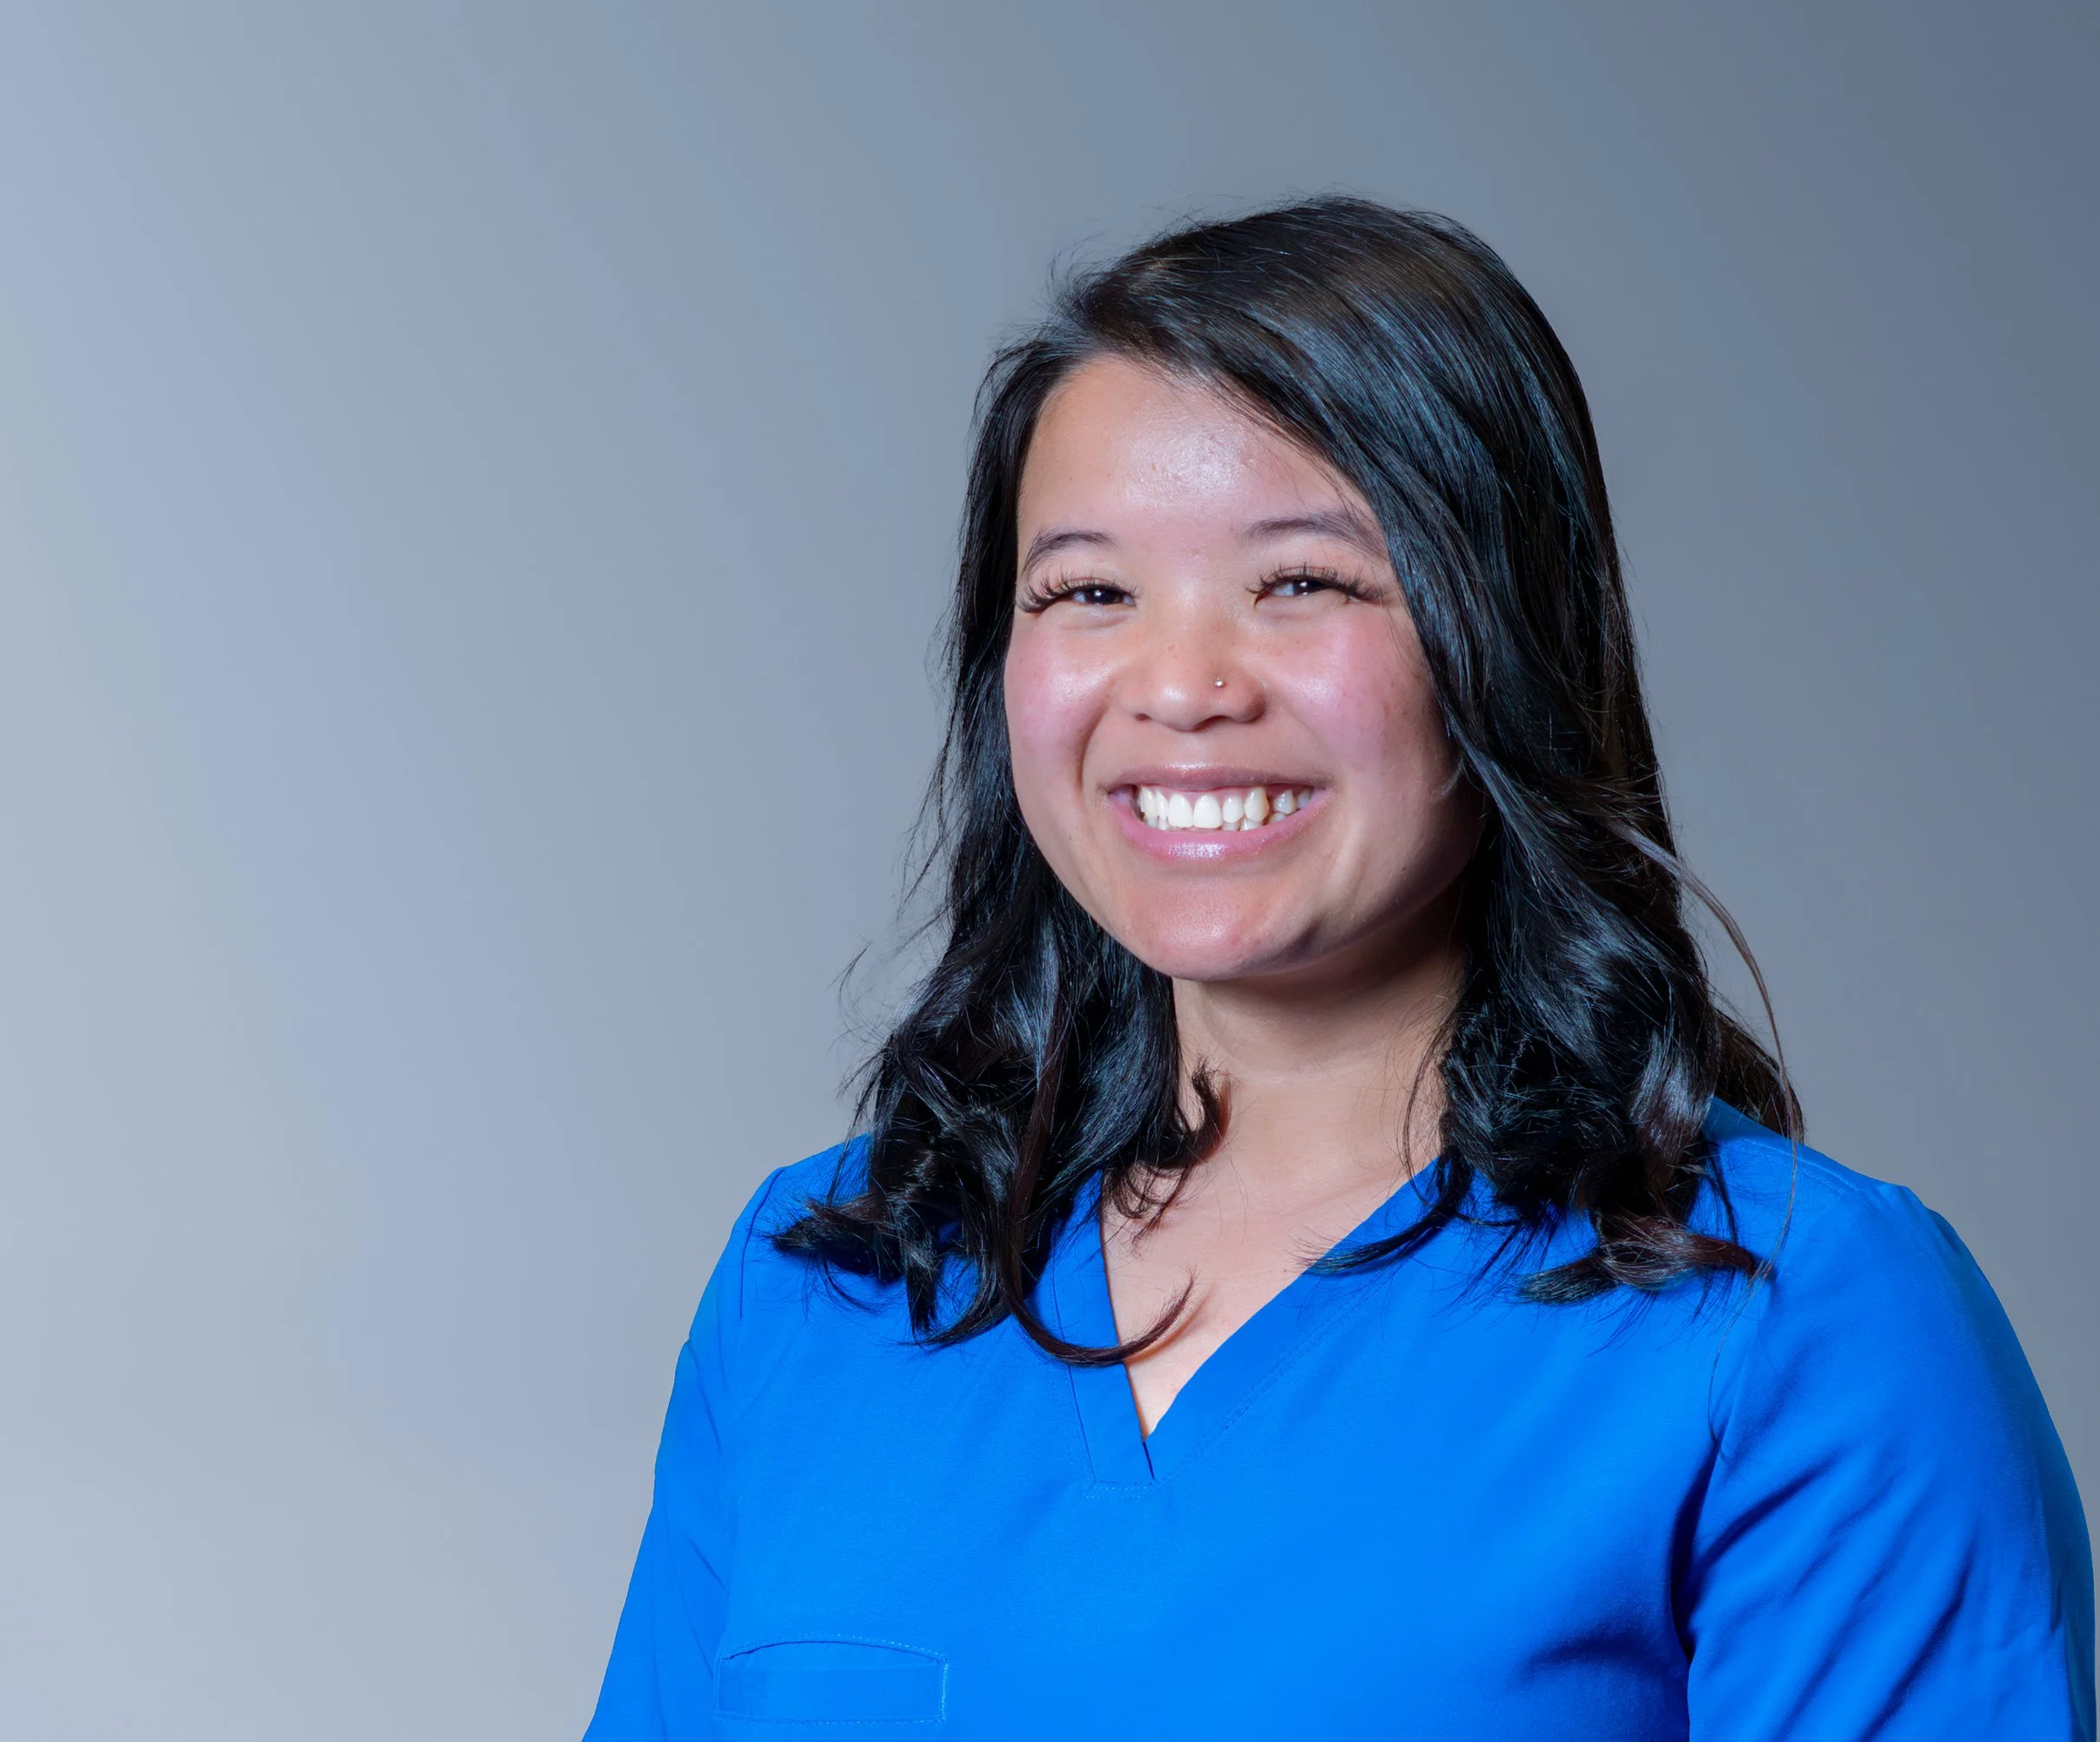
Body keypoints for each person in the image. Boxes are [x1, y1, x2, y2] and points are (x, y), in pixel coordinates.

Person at [584, 198, 2093, 1739]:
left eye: (1303, 582)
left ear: (1505, 634)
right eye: (1088, 592)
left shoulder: (1798, 1325)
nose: (1181, 687)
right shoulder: (823, 1284)